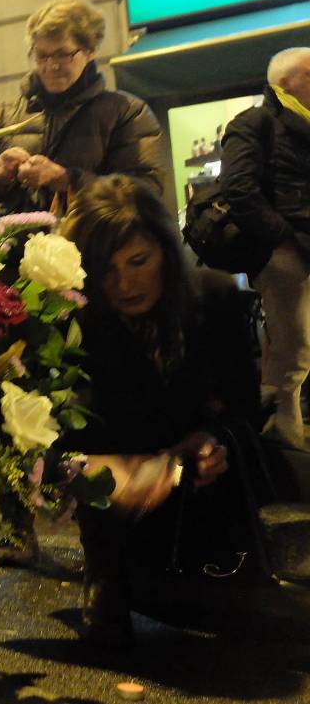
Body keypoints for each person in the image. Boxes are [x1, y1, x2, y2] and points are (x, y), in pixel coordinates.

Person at [60, 175, 265, 645]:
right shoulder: (78, 323)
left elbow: (245, 411)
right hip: (116, 487)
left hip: (198, 483)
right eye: (106, 269)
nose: (125, 284)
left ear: (165, 254)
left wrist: (211, 441)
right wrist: (109, 469)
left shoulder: (216, 302)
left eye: (138, 261)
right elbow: (65, 434)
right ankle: (106, 573)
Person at [0, 0, 166, 220]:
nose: (51, 66)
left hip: (92, 253)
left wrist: (66, 179)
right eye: (41, 55)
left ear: (89, 52)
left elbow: (146, 195)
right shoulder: (2, 117)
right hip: (11, 251)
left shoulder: (126, 113)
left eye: (63, 55)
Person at [221, 47, 310, 451]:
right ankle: (283, 438)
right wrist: (284, 239)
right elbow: (239, 190)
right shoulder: (255, 122)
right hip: (287, 254)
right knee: (293, 345)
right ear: (287, 82)